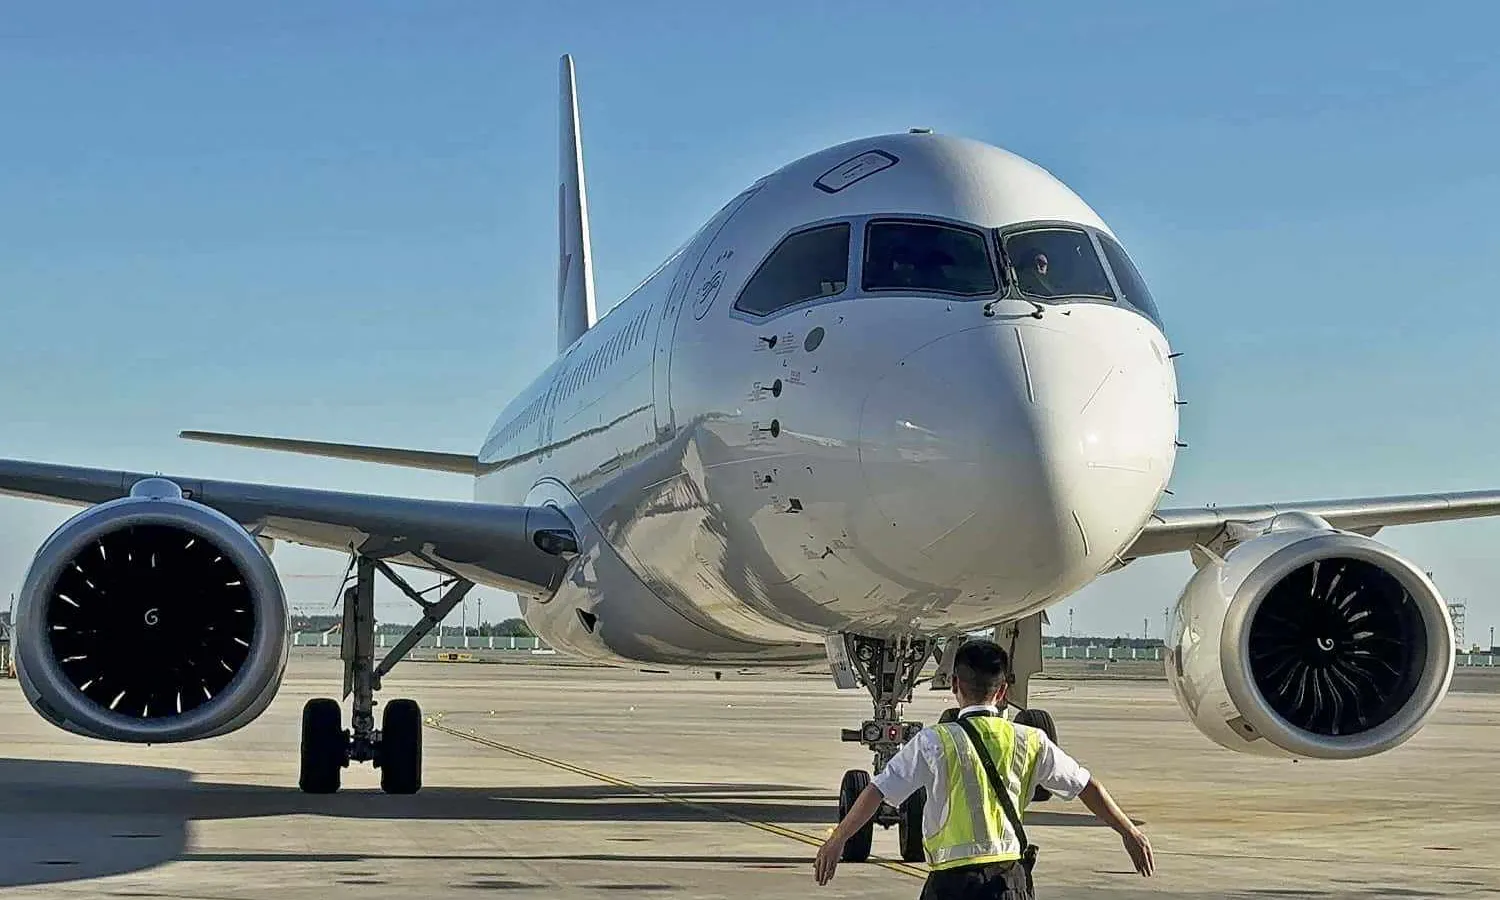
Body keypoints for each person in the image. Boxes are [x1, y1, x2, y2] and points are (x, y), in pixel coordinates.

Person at [814, 639, 1153, 898]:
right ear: (1003, 691)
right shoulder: (1030, 740)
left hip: (950, 881)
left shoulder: (934, 741)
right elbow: (1087, 787)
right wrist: (1130, 832)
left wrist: (838, 839)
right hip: (1007, 880)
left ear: (954, 686)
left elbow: (877, 791)